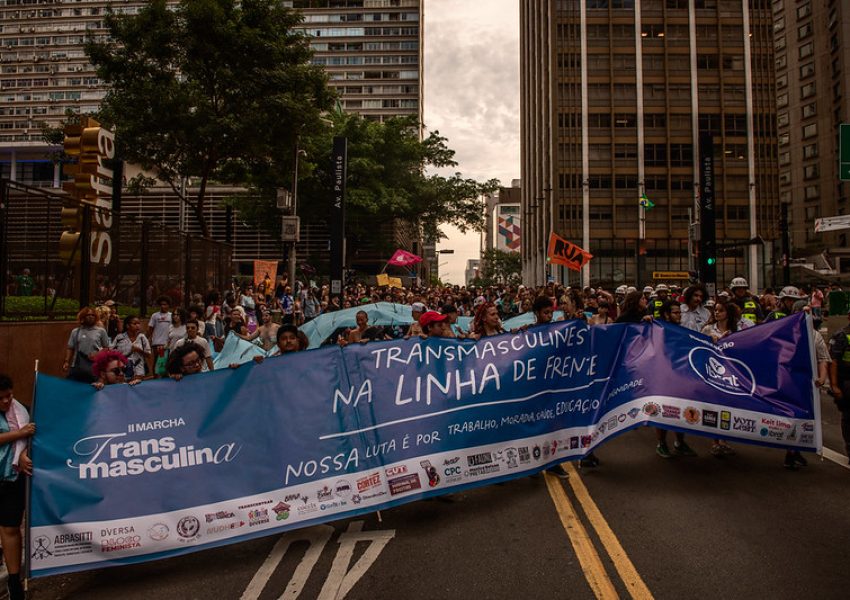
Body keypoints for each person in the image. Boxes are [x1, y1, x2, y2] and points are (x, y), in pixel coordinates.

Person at [0, 374, 33, 600]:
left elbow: (32, 437)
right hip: (3, 477)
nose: (6, 401)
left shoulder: (21, 410)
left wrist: (22, 453)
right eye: (0, 398)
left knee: (13, 527)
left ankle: (15, 580)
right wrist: (19, 434)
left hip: (17, 477)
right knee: (7, 529)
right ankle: (12, 581)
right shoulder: (19, 426)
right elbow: (24, 434)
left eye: (9, 395)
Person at [654, 301, 697, 459]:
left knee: (681, 409)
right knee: (663, 411)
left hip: (681, 376)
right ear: (666, 314)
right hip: (663, 377)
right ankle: (662, 443)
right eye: (675, 313)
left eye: (680, 312)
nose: (679, 315)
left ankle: (680, 443)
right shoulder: (658, 329)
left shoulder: (682, 330)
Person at [63, 307, 110, 383]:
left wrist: (97, 354)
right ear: (83, 317)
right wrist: (67, 361)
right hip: (77, 365)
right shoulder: (75, 331)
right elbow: (70, 348)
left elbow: (106, 348)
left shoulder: (101, 331)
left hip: (95, 365)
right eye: (88, 315)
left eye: (93, 315)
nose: (91, 317)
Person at [828, 309, 850, 463]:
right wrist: (834, 385)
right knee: (848, 416)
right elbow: (833, 362)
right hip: (847, 382)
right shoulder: (841, 335)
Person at [110, 315, 151, 379]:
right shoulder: (120, 337)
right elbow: (110, 351)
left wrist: (139, 350)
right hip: (123, 370)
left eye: (138, 323)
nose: (137, 325)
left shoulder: (142, 337)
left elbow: (149, 355)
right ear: (127, 326)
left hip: (139, 371)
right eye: (134, 323)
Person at [148, 296, 173, 374]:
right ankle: (155, 378)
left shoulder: (172, 316)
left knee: (166, 362)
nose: (163, 306)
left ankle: (165, 378)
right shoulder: (155, 316)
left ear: (168, 305)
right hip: (156, 343)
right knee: (156, 362)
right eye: (161, 304)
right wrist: (147, 339)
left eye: (165, 304)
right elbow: (150, 329)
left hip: (167, 344)